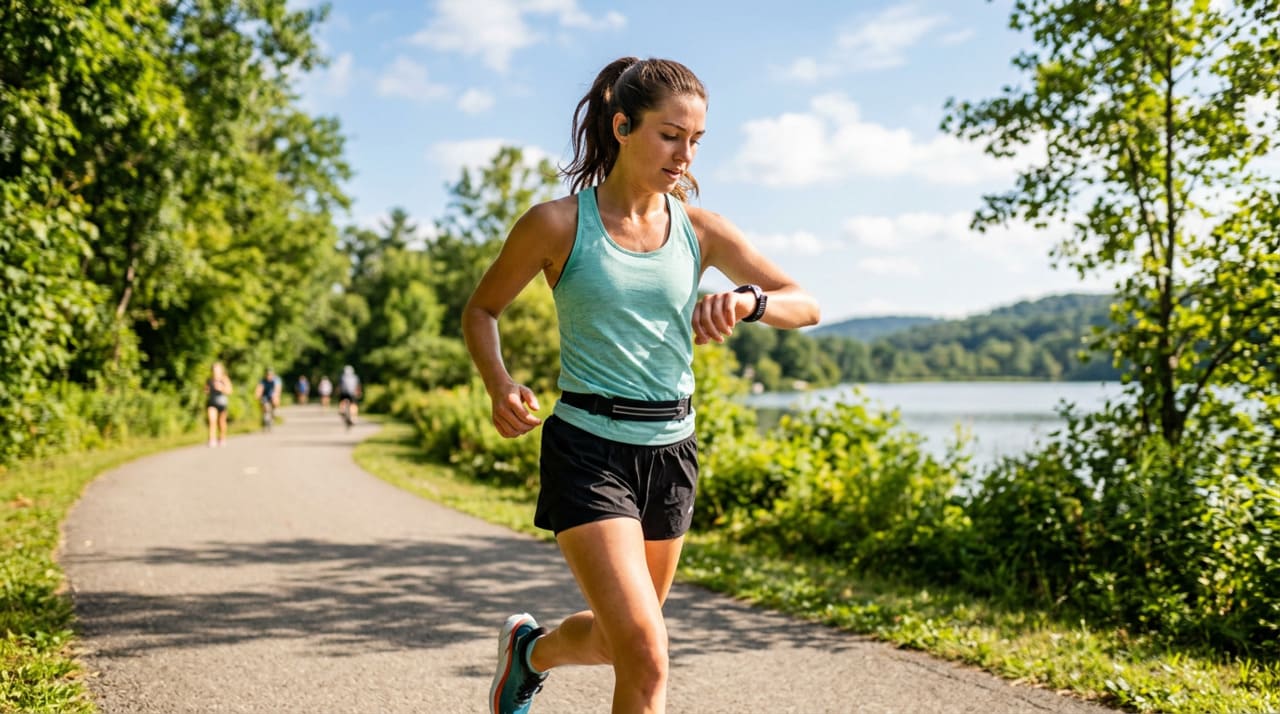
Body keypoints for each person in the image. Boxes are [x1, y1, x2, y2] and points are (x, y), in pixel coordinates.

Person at [463, 57, 820, 714]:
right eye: (669, 135)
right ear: (622, 125)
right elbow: (480, 310)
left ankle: (528, 653)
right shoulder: (557, 224)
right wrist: (499, 383)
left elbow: (805, 302)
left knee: (624, 640)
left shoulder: (700, 229)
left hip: (671, 451)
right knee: (649, 656)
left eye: (696, 140)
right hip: (588, 449)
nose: (684, 155)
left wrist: (747, 301)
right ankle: (531, 655)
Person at [203, 362, 233, 447]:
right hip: (212, 402)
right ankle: (211, 439)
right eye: (214, 370)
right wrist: (206, 390)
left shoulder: (224, 379)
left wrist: (221, 388)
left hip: (222, 403)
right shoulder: (209, 380)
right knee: (212, 421)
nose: (215, 372)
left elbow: (230, 391)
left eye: (217, 370)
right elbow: (205, 390)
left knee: (221, 422)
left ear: (221, 370)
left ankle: (222, 438)